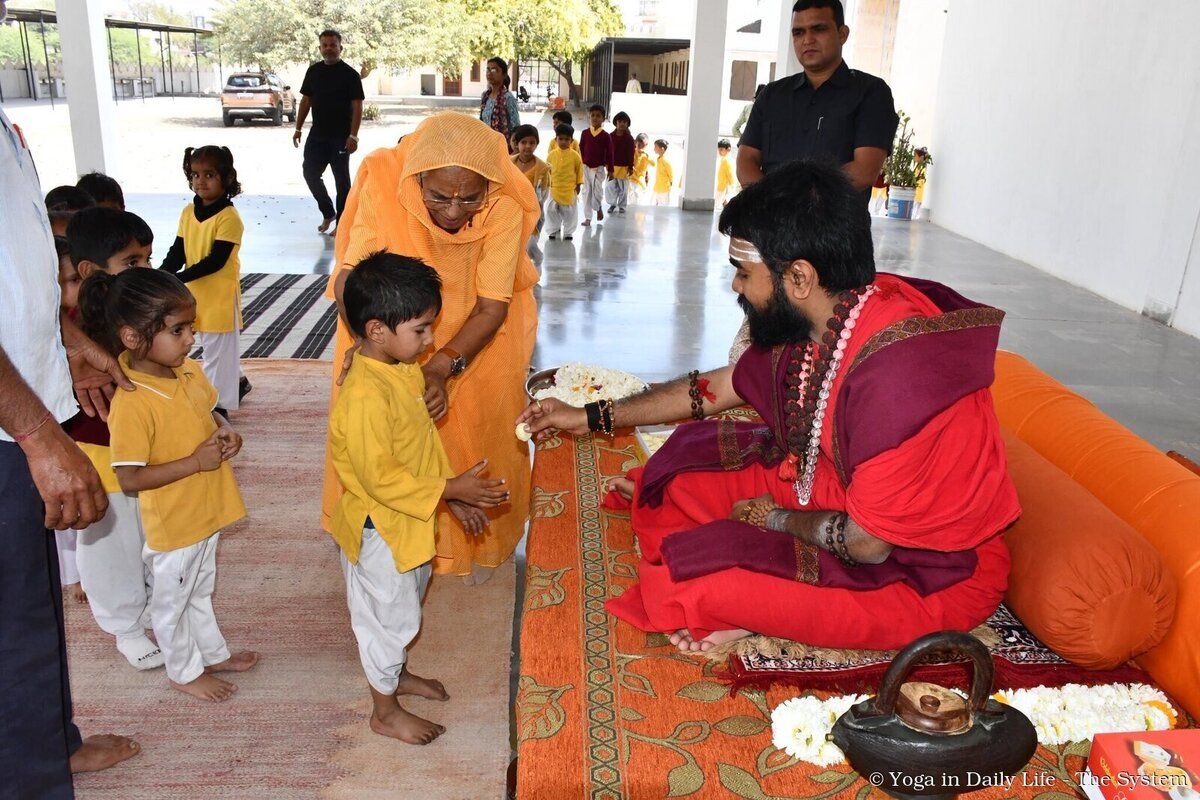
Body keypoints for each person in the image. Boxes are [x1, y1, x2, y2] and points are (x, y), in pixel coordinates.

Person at [518, 159, 1019, 655]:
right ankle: (755, 584)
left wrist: (771, 520)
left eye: (743, 273)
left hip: (930, 570)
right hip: (830, 486)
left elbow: (867, 545)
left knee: (688, 581)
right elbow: (716, 387)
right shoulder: (832, 309)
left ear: (799, 278)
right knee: (675, 475)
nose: (736, 286)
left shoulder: (896, 380)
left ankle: (754, 608)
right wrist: (589, 416)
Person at [324, 112, 540, 583]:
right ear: (418, 178)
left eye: (470, 197)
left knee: (482, 431)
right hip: (386, 331)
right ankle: (383, 536)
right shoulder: (386, 179)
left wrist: (441, 365)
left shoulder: (503, 203)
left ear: (490, 184)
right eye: (439, 196)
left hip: (478, 332)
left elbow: (491, 306)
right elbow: (350, 278)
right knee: (383, 438)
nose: (455, 211)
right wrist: (370, 342)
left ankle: (476, 546)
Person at [1, 74, 140, 796]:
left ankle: (49, 742)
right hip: (8, 424)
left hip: (20, 398)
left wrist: (63, 338)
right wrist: (36, 433)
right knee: (13, 617)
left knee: (29, 605)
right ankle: (31, 776)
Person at [329, 252, 510, 744]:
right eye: (421, 329)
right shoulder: (365, 396)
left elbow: (419, 448)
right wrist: (451, 489)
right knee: (386, 618)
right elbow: (380, 478)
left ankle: (396, 673)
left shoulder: (402, 367)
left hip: (409, 520)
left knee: (406, 602)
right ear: (377, 330)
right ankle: (384, 711)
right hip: (380, 529)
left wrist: (449, 498)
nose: (431, 341)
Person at [90, 268, 259, 702]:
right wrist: (194, 462)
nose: (190, 339)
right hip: (176, 523)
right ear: (132, 337)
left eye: (191, 328)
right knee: (173, 601)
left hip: (206, 509)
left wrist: (225, 430)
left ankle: (211, 653)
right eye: (177, 330)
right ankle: (182, 671)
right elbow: (129, 478)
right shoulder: (132, 402)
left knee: (199, 589)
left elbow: (210, 412)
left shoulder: (187, 372)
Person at [64, 207, 164, 671]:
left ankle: (155, 607)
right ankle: (124, 626)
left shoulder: (148, 311)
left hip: (150, 450)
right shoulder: (73, 328)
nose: (145, 269)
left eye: (148, 259)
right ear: (90, 271)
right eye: (132, 262)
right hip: (100, 454)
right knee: (111, 542)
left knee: (152, 534)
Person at [737, 0, 899, 205]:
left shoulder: (871, 93)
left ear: (842, 34)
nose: (807, 40)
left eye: (818, 29)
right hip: (771, 221)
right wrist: (773, 204)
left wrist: (792, 200)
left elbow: (864, 170)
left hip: (836, 223)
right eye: (798, 33)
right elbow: (746, 160)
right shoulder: (771, 95)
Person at [160, 146, 248, 416]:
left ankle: (217, 407)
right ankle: (238, 381)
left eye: (209, 175)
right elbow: (178, 251)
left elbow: (216, 261)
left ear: (227, 178)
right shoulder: (188, 212)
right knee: (215, 350)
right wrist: (161, 274)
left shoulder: (229, 217)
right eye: (195, 174)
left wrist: (177, 278)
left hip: (219, 298)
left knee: (217, 354)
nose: (200, 181)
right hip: (191, 295)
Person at [293, 28, 365, 234]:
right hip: (317, 135)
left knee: (342, 181)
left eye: (333, 45)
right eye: (325, 45)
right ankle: (328, 213)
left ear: (340, 48)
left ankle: (342, 222)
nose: (329, 48)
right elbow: (306, 101)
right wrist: (298, 128)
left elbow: (357, 106)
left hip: (341, 137)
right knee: (310, 173)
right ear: (320, 48)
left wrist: (353, 136)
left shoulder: (350, 75)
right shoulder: (313, 71)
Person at [510, 124, 551, 258]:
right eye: (524, 142)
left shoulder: (542, 169)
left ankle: (533, 265)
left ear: (537, 144)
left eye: (532, 143)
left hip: (532, 213)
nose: (528, 146)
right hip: (510, 212)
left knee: (528, 246)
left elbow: (543, 194)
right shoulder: (509, 164)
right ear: (517, 144)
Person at [545, 124, 584, 241]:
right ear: (556, 139)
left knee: (570, 212)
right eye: (560, 139)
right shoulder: (551, 155)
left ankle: (568, 232)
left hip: (569, 189)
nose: (563, 142)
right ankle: (553, 230)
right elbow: (547, 171)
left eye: (566, 139)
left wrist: (578, 185)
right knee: (550, 210)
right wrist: (546, 184)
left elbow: (579, 171)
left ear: (571, 141)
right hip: (554, 188)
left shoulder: (575, 156)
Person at [579, 104, 612, 226]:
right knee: (586, 192)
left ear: (603, 119)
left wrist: (611, 170)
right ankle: (588, 218)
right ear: (589, 117)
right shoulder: (585, 133)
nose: (595, 118)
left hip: (599, 168)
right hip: (586, 167)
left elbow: (610, 153)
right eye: (592, 115)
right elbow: (581, 149)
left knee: (597, 192)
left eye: (598, 116)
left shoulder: (606, 136)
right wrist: (580, 165)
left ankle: (598, 208)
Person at [480, 57, 520, 151]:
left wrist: (515, 151)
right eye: (488, 69)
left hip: (503, 148)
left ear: (504, 75)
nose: (490, 73)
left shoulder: (508, 98)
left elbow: (516, 127)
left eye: (494, 70)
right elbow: (482, 122)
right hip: (487, 147)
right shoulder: (485, 96)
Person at [606, 111, 635, 214]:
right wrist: (607, 164)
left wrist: (630, 167)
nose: (622, 124)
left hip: (624, 167)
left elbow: (631, 153)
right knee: (611, 187)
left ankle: (622, 206)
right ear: (616, 123)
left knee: (623, 188)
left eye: (624, 122)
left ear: (627, 124)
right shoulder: (610, 136)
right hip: (612, 167)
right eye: (620, 121)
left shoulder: (629, 138)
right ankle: (612, 204)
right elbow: (606, 151)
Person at [630, 133, 652, 206]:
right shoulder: (632, 152)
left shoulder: (646, 155)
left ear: (646, 145)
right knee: (633, 202)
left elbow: (649, 166)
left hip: (641, 182)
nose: (641, 147)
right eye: (639, 145)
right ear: (635, 143)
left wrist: (647, 179)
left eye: (643, 145)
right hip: (631, 181)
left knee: (639, 202)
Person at [652, 139, 675, 206]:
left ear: (662, 149)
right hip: (657, 187)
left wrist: (670, 183)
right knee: (654, 204)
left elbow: (670, 173)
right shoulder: (659, 159)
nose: (654, 149)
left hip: (664, 188)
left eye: (655, 147)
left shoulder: (665, 160)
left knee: (664, 207)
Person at [716, 139, 738, 207]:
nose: (719, 152)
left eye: (721, 149)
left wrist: (732, 186)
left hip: (724, 187)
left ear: (728, 149)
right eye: (719, 149)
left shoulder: (726, 160)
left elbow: (730, 174)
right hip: (722, 186)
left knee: (721, 204)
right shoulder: (725, 159)